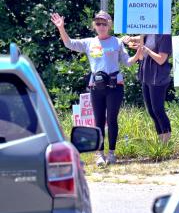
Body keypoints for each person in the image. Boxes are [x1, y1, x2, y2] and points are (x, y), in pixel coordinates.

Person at [51, 11, 132, 166]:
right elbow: (69, 44)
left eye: (104, 23)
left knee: (112, 120)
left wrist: (140, 52)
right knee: (99, 120)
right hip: (96, 87)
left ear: (110, 25)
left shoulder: (117, 42)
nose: (101, 26)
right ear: (94, 26)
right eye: (98, 23)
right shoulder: (89, 42)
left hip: (115, 86)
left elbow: (127, 62)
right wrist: (61, 28)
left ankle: (112, 153)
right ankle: (100, 155)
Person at [122, 34, 173, 144]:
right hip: (146, 77)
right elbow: (139, 39)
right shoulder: (145, 34)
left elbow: (161, 60)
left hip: (158, 78)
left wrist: (147, 50)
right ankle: (161, 141)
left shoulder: (165, 36)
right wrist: (129, 39)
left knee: (158, 110)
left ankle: (167, 142)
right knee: (151, 111)